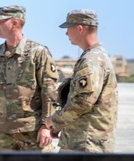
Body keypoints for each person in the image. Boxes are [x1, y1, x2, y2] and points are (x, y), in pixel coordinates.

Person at [0, 5, 58, 152]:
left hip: (33, 131)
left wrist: (47, 126)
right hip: (4, 133)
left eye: (1, 21)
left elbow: (50, 93)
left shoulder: (38, 53)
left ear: (15, 23)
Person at [49, 9, 118, 153]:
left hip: (84, 145)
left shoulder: (91, 61)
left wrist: (54, 121)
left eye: (68, 28)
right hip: (85, 142)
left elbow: (82, 103)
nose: (66, 33)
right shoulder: (95, 56)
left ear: (80, 28)